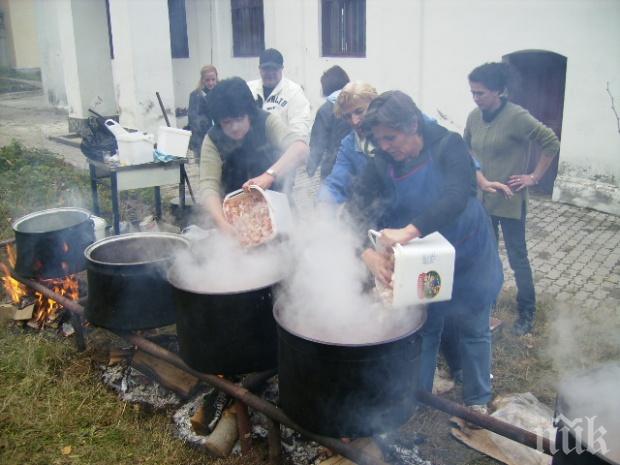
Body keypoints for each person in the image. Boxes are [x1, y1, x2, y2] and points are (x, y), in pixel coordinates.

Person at [348, 90, 503, 414]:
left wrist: (408, 231)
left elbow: (457, 194)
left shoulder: (448, 145)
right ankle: (417, 398)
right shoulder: (381, 163)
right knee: (426, 326)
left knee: (474, 326)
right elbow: (353, 212)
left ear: (413, 125)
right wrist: (368, 254)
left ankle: (477, 400)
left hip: (467, 251)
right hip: (422, 260)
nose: (386, 146)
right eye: (380, 140)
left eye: (391, 138)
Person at [464, 62, 560, 336]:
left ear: (499, 91)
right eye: (472, 93)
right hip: (484, 200)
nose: (475, 98)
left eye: (480, 93)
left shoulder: (517, 117)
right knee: (488, 255)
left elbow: (550, 141)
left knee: (518, 258)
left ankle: (527, 312)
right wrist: (478, 174)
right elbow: (467, 145)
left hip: (510, 201)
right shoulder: (474, 116)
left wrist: (534, 177)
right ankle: (489, 301)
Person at [199, 77, 309, 234]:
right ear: (218, 122)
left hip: (278, 211)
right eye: (227, 122)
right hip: (237, 216)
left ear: (249, 114)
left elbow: (300, 148)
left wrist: (269, 175)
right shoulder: (213, 139)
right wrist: (222, 223)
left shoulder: (265, 121)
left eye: (239, 119)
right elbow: (208, 186)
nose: (235, 128)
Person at [317, 81, 378, 204]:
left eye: (359, 111)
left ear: (374, 103)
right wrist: (323, 203)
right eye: (347, 116)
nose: (354, 121)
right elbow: (337, 181)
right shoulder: (349, 145)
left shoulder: (398, 128)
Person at [247, 48, 312, 140]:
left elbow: (300, 130)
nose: (270, 73)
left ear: (282, 68)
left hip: (282, 149)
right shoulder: (249, 89)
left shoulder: (294, 92)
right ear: (259, 69)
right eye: (266, 69)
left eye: (274, 69)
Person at [306, 65, 351, 179]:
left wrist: (310, 169)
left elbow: (317, 144)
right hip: (354, 166)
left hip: (333, 168)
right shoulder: (355, 104)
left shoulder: (326, 109)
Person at [188, 65, 218, 156]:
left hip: (220, 140)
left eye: (213, 79)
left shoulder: (221, 94)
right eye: (207, 80)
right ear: (202, 80)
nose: (211, 83)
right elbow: (193, 120)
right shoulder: (195, 96)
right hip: (201, 140)